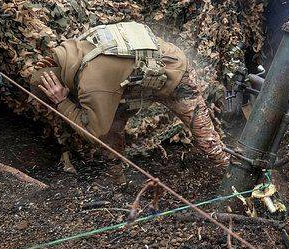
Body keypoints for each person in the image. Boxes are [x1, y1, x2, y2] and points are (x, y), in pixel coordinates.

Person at [30, 21, 229, 182]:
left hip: (174, 73)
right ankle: (116, 178)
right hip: (132, 83)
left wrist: (62, 102)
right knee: (111, 127)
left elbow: (95, 133)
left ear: (60, 87)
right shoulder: (70, 52)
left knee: (205, 135)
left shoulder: (92, 83)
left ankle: (231, 176)